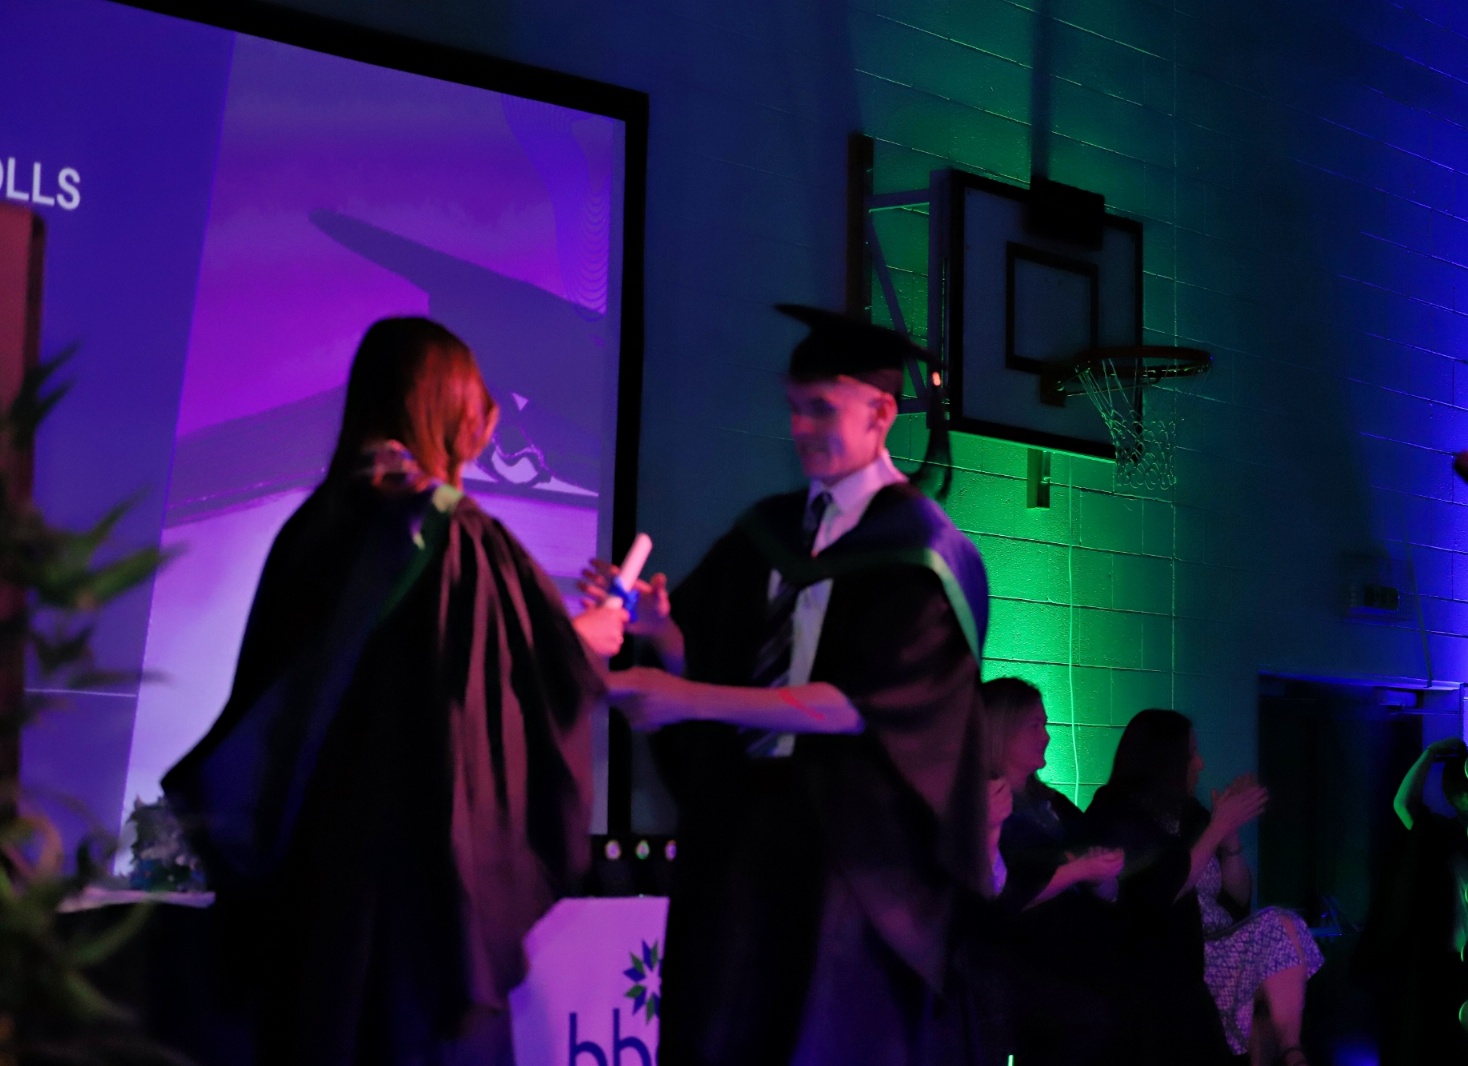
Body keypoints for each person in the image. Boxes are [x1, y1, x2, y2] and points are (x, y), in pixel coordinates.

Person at [163, 317, 627, 1066]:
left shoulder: (313, 524)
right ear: (450, 410)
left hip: (312, 879)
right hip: (413, 882)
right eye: (478, 403)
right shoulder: (451, 532)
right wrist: (587, 642)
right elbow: (501, 686)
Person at [599, 304, 993, 1066]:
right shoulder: (767, 531)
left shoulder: (926, 555)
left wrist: (687, 699)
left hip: (852, 861)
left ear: (881, 413)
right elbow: (713, 664)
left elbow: (854, 705)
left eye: (821, 408)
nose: (800, 428)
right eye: (793, 407)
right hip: (743, 840)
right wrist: (664, 635)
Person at [1086, 709, 1267, 1066]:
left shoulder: (1192, 814)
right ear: (1162, 760)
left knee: (1279, 926)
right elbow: (1160, 893)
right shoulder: (1117, 812)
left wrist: (1229, 835)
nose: (1200, 764)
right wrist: (1218, 827)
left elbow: (1238, 900)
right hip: (1153, 977)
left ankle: (1292, 1049)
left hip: (1202, 955)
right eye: (1191, 754)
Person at [982, 677, 1125, 1066]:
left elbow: (1101, 876)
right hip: (1025, 965)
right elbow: (1001, 897)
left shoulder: (1054, 804)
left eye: (1045, 725)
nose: (1045, 736)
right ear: (1001, 731)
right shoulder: (983, 807)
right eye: (1035, 725)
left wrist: (1102, 874)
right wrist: (1077, 872)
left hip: (1082, 958)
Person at [1353, 736, 1468, 1066]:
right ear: (1452, 795)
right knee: (1444, 1041)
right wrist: (1430, 754)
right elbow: (1404, 804)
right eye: (1460, 792)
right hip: (1449, 958)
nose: (1466, 798)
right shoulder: (1440, 834)